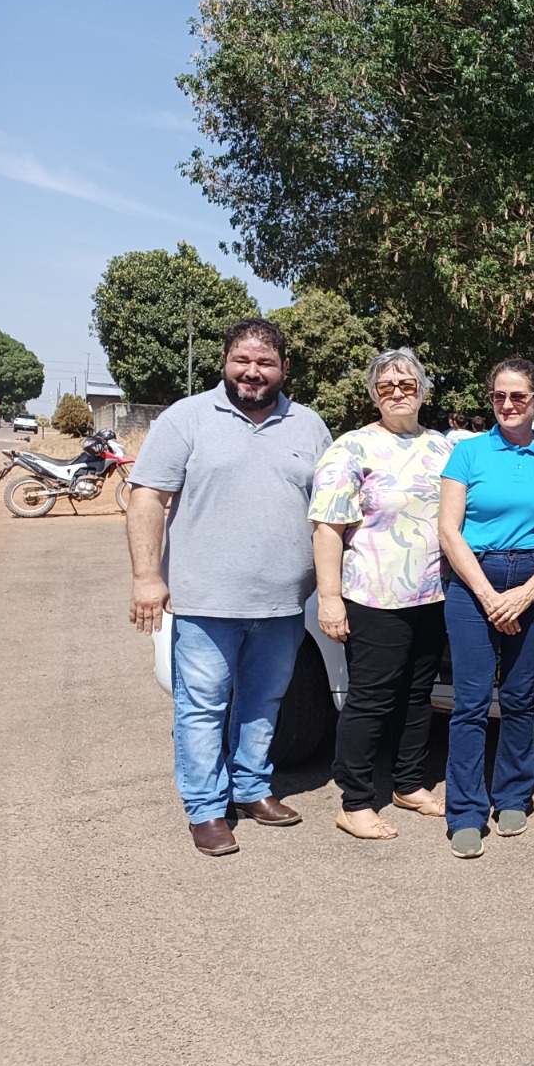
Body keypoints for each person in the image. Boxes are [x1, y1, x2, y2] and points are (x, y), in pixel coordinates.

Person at [125, 319, 333, 857]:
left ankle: (251, 788)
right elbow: (148, 497)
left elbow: (332, 510)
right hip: (203, 601)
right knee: (203, 705)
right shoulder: (187, 418)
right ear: (226, 361)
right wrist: (147, 577)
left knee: (265, 701)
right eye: (242, 360)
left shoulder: (309, 426)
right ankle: (206, 808)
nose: (253, 371)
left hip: (285, 603)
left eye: (265, 362)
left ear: (285, 368)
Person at [310, 348, 453, 840]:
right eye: (387, 385)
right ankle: (353, 800)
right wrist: (330, 598)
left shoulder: (442, 447)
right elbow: (328, 528)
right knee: (371, 699)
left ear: (423, 391)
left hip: (432, 594)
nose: (397, 392)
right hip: (373, 596)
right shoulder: (350, 449)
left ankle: (408, 783)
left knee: (418, 696)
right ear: (373, 393)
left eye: (407, 384)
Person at [438, 358, 534, 859]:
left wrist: (523, 595)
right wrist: (489, 595)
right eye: (499, 396)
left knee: (519, 696)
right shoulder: (468, 454)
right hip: (475, 581)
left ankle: (514, 794)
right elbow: (449, 532)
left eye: (519, 396)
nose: (508, 405)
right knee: (471, 702)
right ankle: (466, 812)